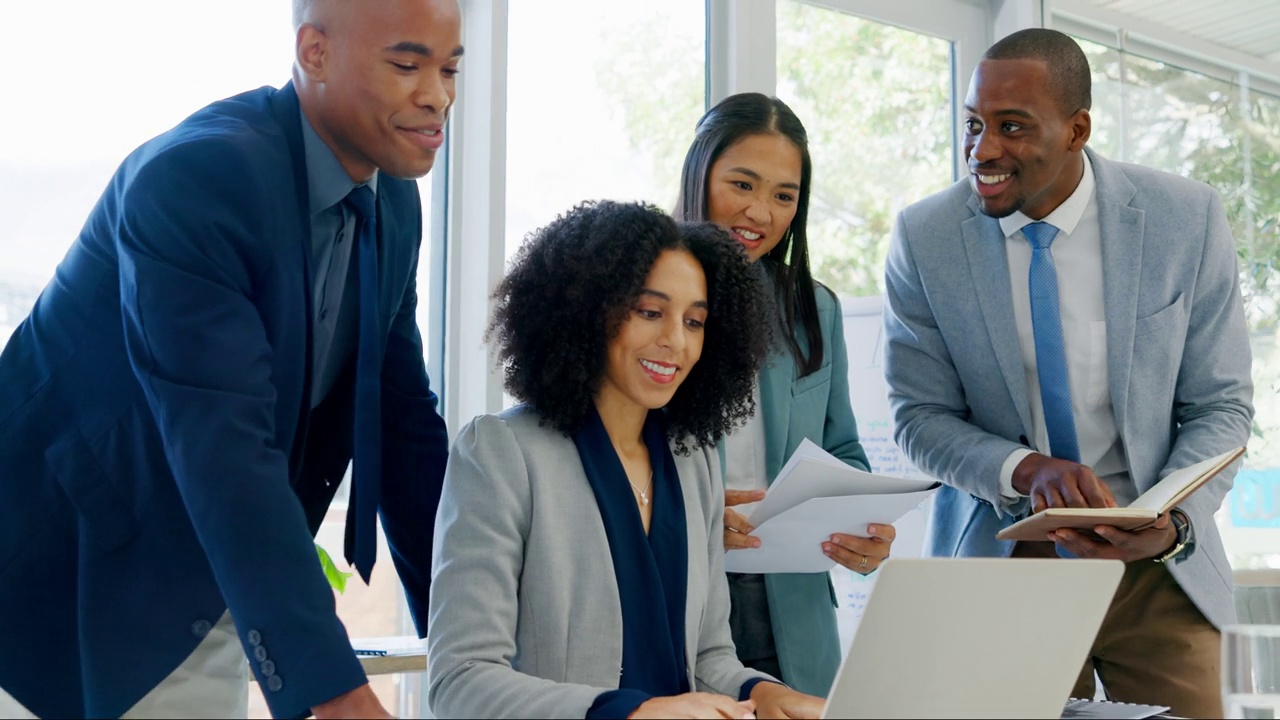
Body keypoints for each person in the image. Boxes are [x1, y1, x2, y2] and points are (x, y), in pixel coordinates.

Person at [0, 1, 461, 717]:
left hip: (207, 574)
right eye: (408, 64)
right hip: (56, 574)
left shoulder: (394, 200)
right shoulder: (195, 180)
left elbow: (401, 428)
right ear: (313, 52)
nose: (437, 94)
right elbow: (226, 448)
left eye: (450, 67)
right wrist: (338, 693)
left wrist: (472, 643)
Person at [882, 28, 1254, 718]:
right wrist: (1027, 469)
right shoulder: (925, 237)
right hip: (1006, 555)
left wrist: (1172, 519)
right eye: (973, 125)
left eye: (1011, 127)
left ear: (1077, 128)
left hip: (1157, 564)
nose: (982, 150)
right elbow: (918, 417)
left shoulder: (1184, 218)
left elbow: (1221, 407)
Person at [427, 200, 826, 719]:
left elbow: (709, 657)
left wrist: (762, 691)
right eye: (649, 312)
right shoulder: (502, 452)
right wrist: (629, 713)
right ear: (590, 309)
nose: (675, 342)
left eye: (695, 321)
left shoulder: (693, 460)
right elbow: (461, 682)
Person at [672, 92, 896, 696]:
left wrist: (864, 523)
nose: (761, 213)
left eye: (783, 196)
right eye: (742, 184)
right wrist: (691, 519)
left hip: (792, 604)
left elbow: (843, 448)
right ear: (700, 173)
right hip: (681, 594)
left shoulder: (813, 308)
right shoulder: (645, 296)